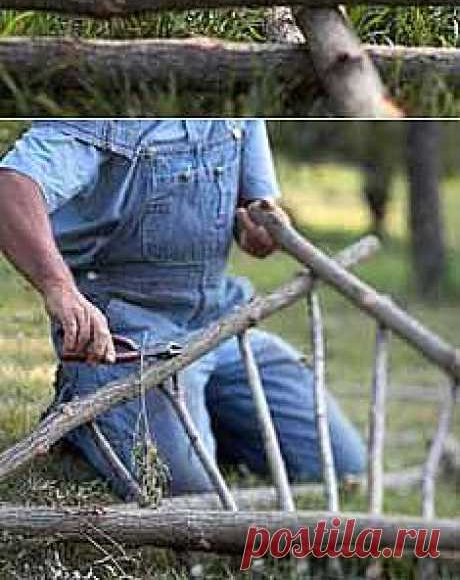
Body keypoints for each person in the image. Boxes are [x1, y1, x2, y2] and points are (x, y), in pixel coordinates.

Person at [0, 117, 367, 498]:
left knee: (342, 466)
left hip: (220, 324)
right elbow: (12, 186)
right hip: (128, 333)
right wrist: (60, 288)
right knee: (187, 490)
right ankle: (92, 412)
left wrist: (260, 228)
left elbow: (253, 206)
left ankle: (194, 417)